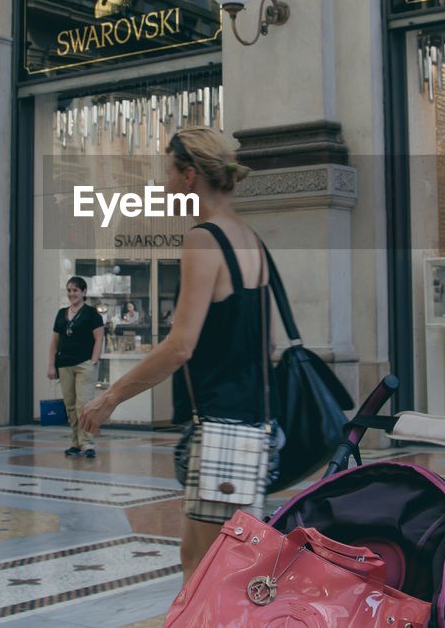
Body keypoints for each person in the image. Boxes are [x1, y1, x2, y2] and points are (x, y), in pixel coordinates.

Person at [80, 127, 277, 581]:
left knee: (204, 567)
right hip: (255, 423)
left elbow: (180, 345)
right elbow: (265, 345)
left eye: (167, 173)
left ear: (189, 176)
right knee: (229, 565)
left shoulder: (204, 239)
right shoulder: (251, 239)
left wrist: (110, 398)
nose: (163, 185)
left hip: (223, 428)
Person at [46, 277, 104, 459]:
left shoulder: (92, 314)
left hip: (84, 364)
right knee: (70, 406)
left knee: (84, 405)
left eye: (76, 290)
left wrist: (93, 361)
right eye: (69, 290)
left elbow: (99, 339)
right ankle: (75, 443)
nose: (72, 294)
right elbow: (54, 342)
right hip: (64, 365)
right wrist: (51, 365)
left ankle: (87, 444)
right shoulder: (61, 313)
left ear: (84, 292)